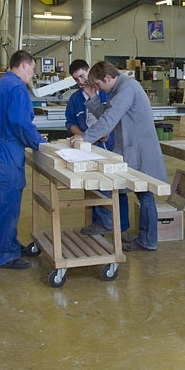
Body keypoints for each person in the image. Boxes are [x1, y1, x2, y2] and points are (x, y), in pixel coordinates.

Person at [69, 61, 168, 252]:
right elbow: (107, 114)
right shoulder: (119, 89)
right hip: (130, 148)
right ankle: (126, 230)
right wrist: (92, 97)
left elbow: (108, 120)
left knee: (145, 193)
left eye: (98, 85)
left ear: (108, 78)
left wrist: (85, 138)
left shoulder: (127, 88)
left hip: (141, 149)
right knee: (135, 191)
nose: (98, 88)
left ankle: (148, 240)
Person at [0, 50, 47, 270]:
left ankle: (9, 244)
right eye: (33, 69)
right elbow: (20, 123)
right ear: (24, 65)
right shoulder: (18, 88)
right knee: (8, 201)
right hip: (6, 149)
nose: (33, 74)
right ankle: (3, 255)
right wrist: (39, 142)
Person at [65, 59, 131, 242]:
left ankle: (122, 228)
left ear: (89, 71)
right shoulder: (75, 99)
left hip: (111, 144)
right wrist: (83, 136)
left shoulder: (106, 92)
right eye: (76, 79)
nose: (81, 81)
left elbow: (113, 118)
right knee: (94, 186)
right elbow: (70, 122)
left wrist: (106, 132)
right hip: (88, 148)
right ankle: (100, 225)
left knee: (117, 186)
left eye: (82, 76)